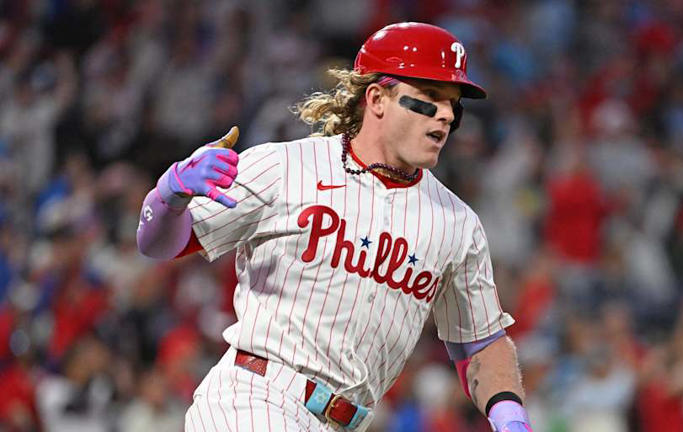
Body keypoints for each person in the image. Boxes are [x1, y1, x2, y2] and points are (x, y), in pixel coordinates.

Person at [137, 22, 531, 432]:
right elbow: (159, 245)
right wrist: (169, 196)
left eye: (453, 105)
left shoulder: (457, 223)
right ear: (377, 98)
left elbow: (481, 342)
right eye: (429, 99)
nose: (446, 115)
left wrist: (510, 417)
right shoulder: (285, 167)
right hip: (256, 397)